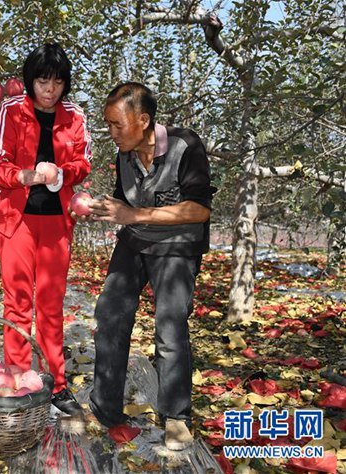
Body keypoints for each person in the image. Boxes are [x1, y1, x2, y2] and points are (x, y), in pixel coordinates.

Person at [72, 82, 215, 449]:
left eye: (118, 125)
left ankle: (176, 416)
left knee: (169, 327)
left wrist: (133, 213)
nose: (112, 133)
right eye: (108, 125)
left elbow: (199, 209)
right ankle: (106, 408)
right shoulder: (125, 153)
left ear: (144, 120)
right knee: (111, 313)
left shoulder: (186, 146)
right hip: (136, 242)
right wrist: (107, 209)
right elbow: (125, 202)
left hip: (177, 247)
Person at [0, 43, 91, 415]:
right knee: (17, 303)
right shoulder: (11, 110)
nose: (50, 89)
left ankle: (55, 386)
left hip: (55, 223)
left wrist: (63, 174)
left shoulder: (74, 117)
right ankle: (17, 382)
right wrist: (28, 176)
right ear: (31, 80)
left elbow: (84, 162)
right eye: (43, 80)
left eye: (57, 82)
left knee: (50, 305)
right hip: (16, 220)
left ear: (65, 84)